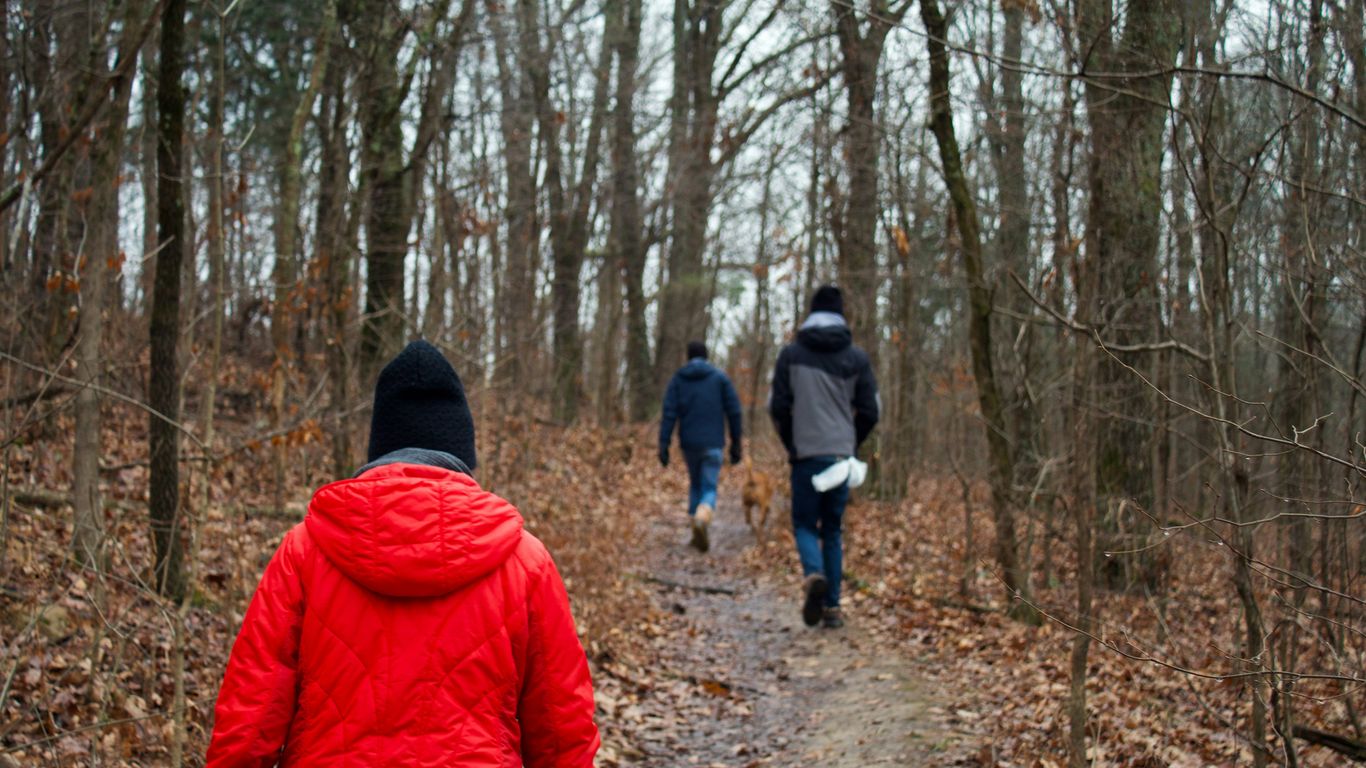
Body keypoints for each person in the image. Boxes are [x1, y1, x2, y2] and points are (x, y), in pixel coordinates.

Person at [205, 340, 599, 767]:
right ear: (464, 453)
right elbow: (563, 734)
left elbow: (248, 724)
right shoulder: (525, 562)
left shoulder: (304, 553)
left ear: (379, 447)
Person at [769, 286, 879, 629]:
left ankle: (814, 574)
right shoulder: (857, 358)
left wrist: (793, 442)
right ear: (841, 314)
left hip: (806, 455)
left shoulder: (791, 355)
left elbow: (777, 406)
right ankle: (832, 607)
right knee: (832, 529)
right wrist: (850, 443)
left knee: (804, 524)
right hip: (840, 457)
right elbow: (871, 410)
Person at [659, 340, 743, 552]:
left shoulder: (678, 379)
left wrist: (664, 443)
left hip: (689, 443)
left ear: (688, 357)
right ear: (706, 357)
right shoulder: (719, 379)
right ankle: (703, 517)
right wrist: (736, 443)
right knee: (709, 486)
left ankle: (695, 528)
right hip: (713, 442)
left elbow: (669, 413)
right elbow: (734, 411)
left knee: (695, 484)